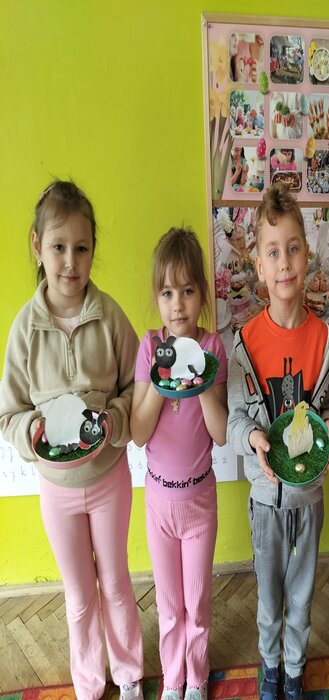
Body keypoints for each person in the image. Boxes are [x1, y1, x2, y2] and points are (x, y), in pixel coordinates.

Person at [0, 180, 144, 700]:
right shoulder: (24, 329)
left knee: (117, 583)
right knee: (80, 594)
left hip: (109, 480)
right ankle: (89, 683)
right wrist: (28, 431)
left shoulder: (110, 316)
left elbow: (136, 385)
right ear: (37, 247)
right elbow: (8, 413)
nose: (70, 262)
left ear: (93, 251)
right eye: (58, 247)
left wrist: (117, 421)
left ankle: (129, 674)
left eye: (81, 248)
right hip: (57, 490)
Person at [227, 183, 329, 700]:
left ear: (307, 255)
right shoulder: (245, 343)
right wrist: (251, 435)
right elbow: (234, 420)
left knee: (302, 592)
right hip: (264, 501)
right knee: (269, 597)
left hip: (309, 498)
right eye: (273, 252)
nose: (285, 262)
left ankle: (294, 669)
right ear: (258, 265)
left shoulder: (324, 339)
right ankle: (270, 667)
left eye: (293, 248)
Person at [130, 227, 228, 700]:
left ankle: (198, 676)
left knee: (197, 603)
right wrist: (159, 377)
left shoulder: (213, 348)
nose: (177, 305)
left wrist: (201, 378)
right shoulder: (150, 347)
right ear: (157, 297)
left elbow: (221, 433)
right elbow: (138, 432)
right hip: (158, 502)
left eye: (188, 291)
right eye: (167, 292)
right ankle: (173, 679)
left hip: (199, 501)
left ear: (202, 295)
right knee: (169, 606)